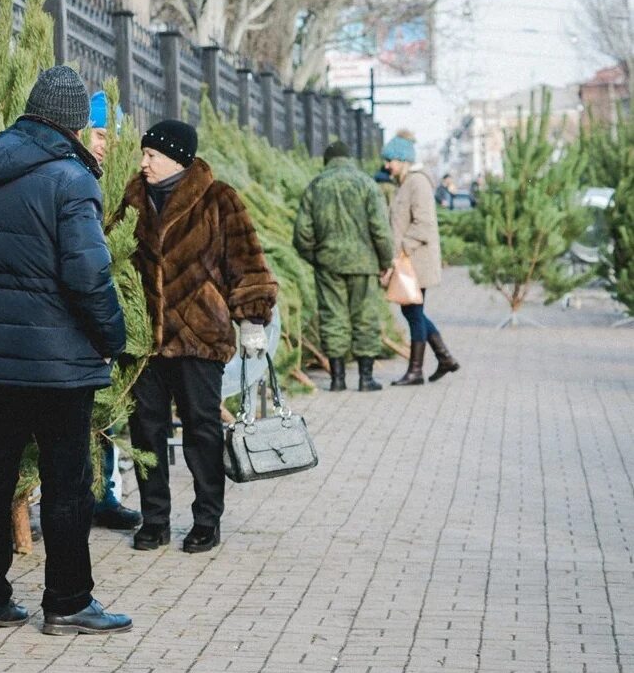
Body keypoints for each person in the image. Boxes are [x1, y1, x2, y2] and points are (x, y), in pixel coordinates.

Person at [0, 66, 133, 636]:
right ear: (73, 124)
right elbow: (88, 276)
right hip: (60, 363)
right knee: (67, 482)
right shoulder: (71, 179)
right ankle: (68, 601)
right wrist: (112, 339)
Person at [110, 119, 278, 554]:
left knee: (202, 429)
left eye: (152, 155)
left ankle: (207, 519)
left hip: (199, 334)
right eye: (143, 154)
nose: (143, 162)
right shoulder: (132, 198)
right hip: (144, 339)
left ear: (177, 158)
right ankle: (155, 519)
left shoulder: (219, 199)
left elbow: (247, 261)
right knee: (146, 430)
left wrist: (252, 321)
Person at [85, 90, 143, 531]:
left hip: (118, 312)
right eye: (100, 133)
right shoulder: (73, 177)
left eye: (112, 137)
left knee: (109, 414)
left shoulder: (124, 185)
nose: (105, 144)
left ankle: (104, 494)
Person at [293, 140, 394, 392]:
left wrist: (315, 258)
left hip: (329, 264)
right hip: (364, 263)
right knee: (365, 317)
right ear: (349, 159)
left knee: (332, 318)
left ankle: (337, 379)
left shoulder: (316, 186)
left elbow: (302, 234)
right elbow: (380, 229)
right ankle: (365, 378)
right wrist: (385, 261)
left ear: (327, 161)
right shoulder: (367, 184)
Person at [378, 134, 461, 386]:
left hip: (415, 262)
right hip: (409, 261)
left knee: (413, 313)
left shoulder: (417, 183)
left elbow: (423, 225)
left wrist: (400, 250)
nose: (386, 165)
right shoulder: (406, 183)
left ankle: (416, 371)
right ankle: (443, 358)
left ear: (403, 160)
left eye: (390, 160)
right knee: (414, 311)